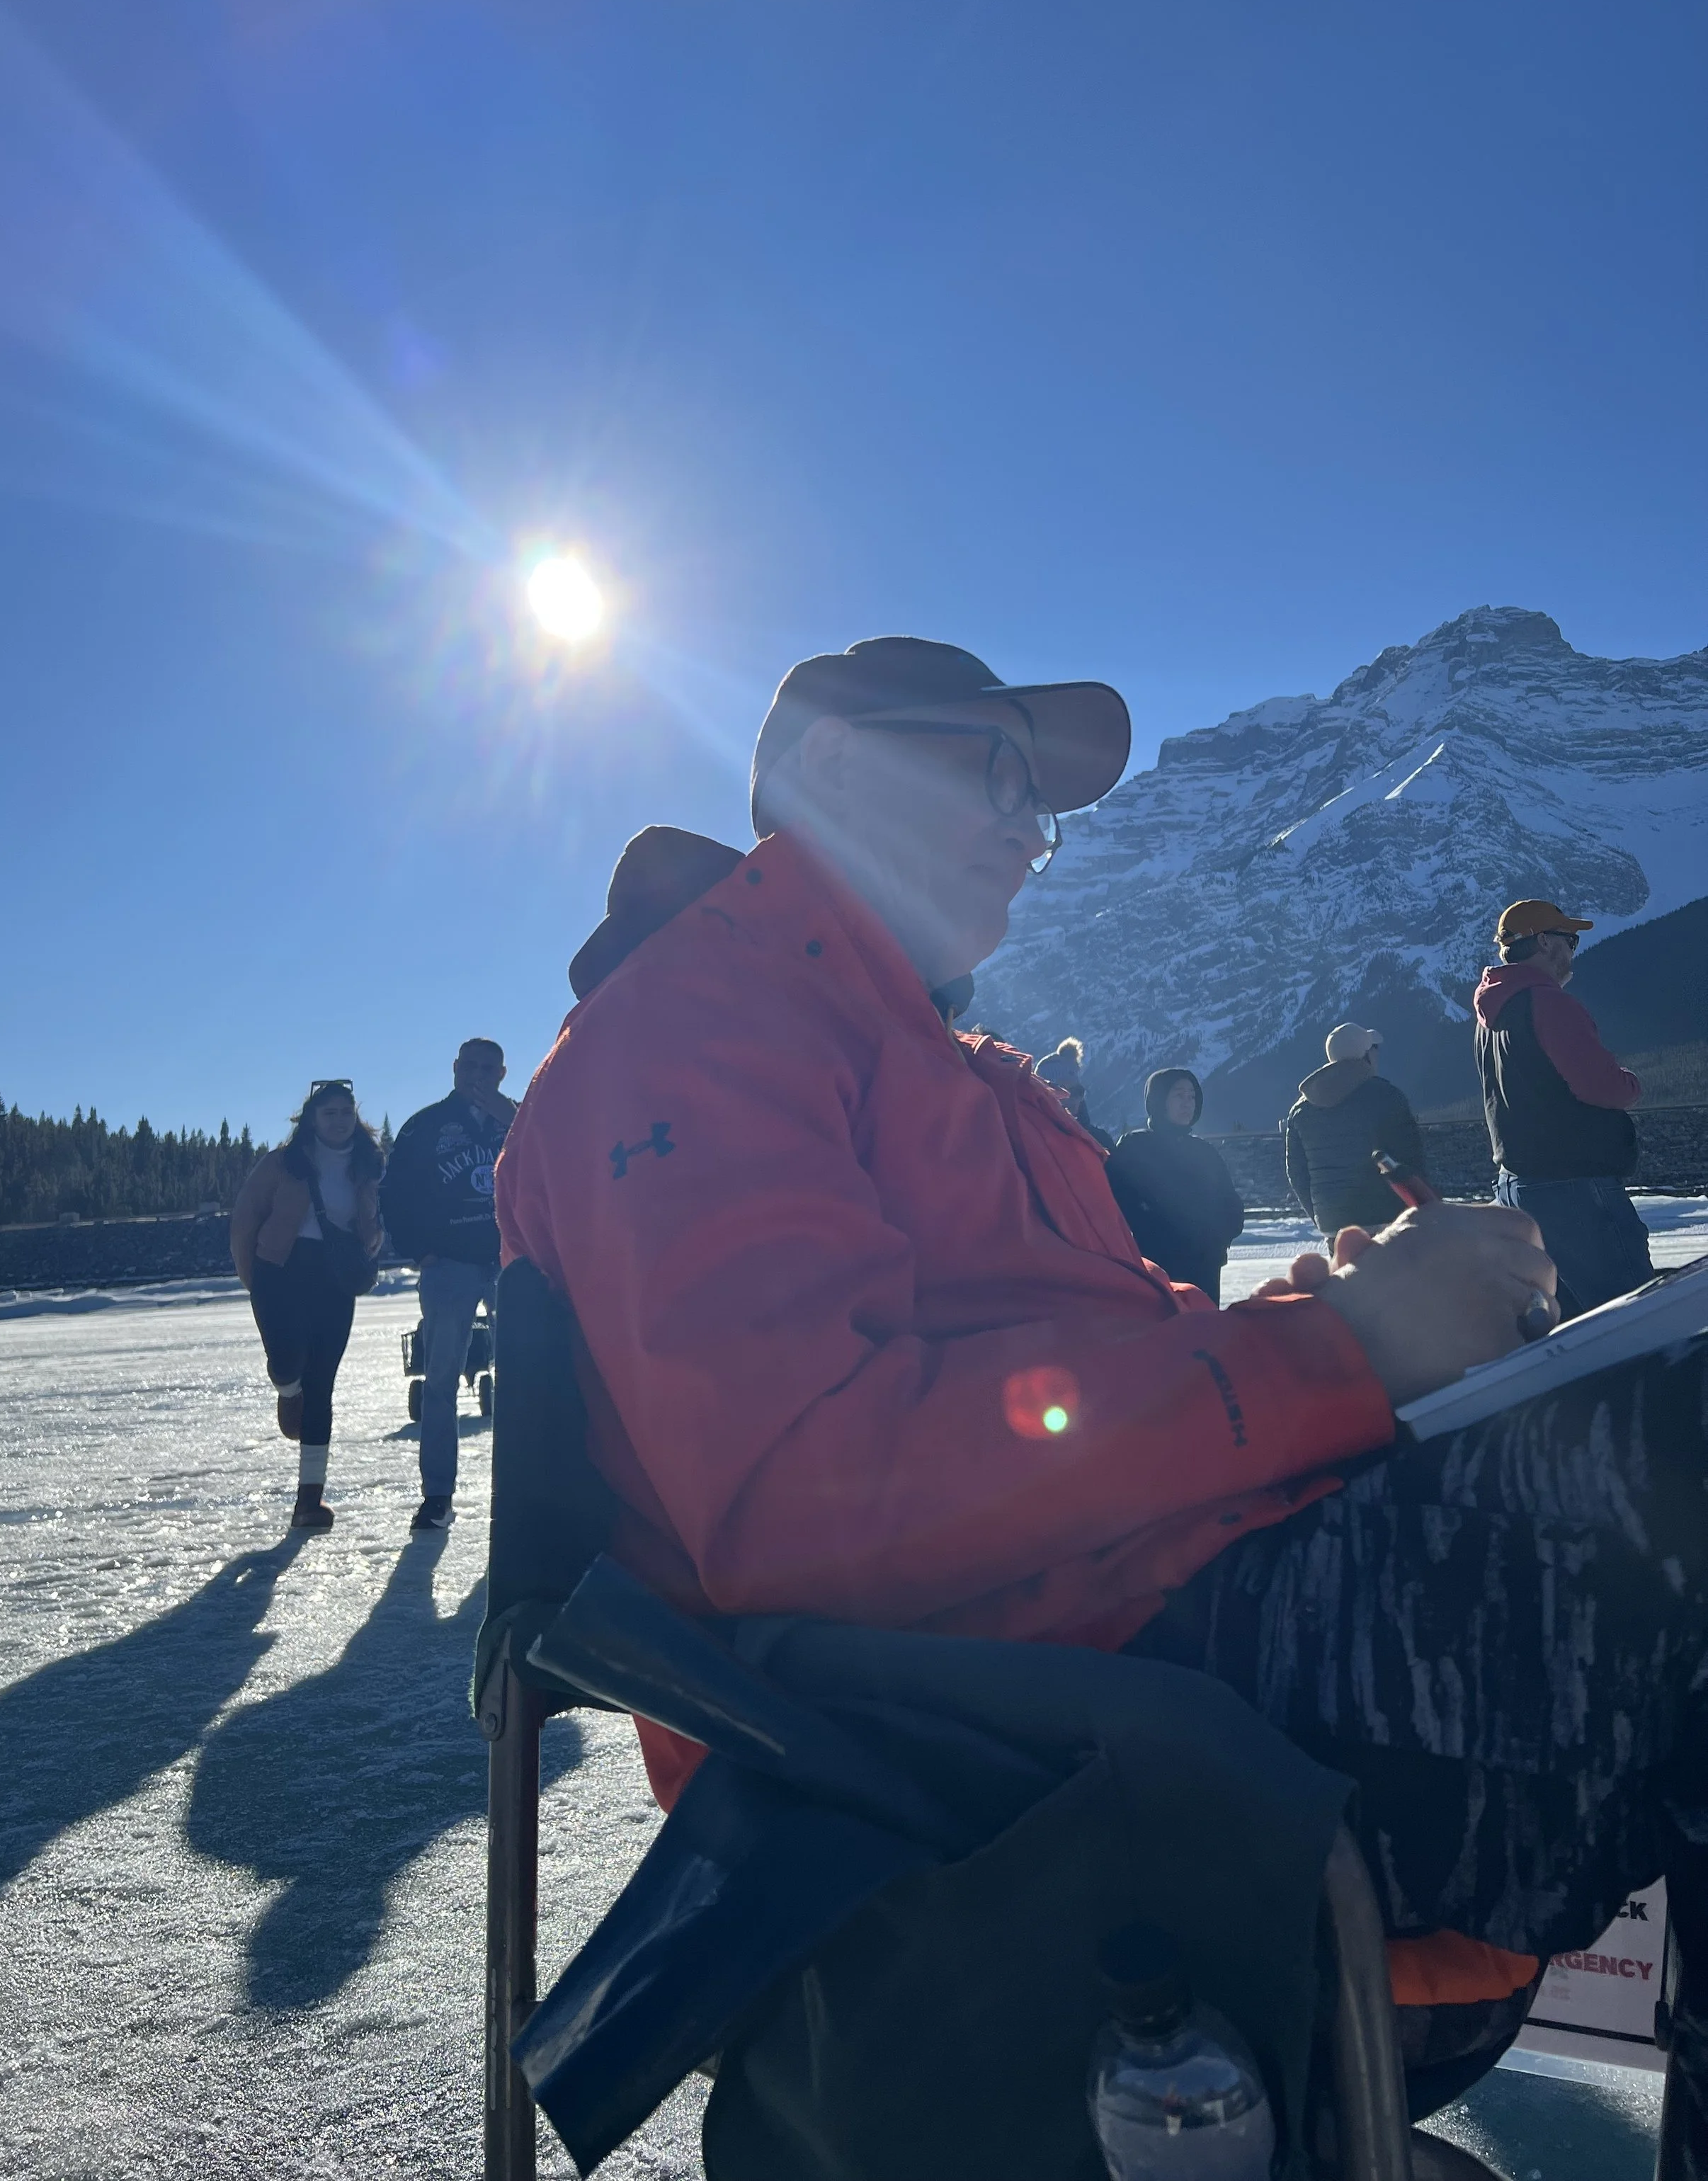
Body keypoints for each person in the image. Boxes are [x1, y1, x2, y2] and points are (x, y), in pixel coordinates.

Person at [494, 633, 1708, 2157]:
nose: (1028, 828)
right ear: (829, 774)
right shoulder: (688, 1033)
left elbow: (1067, 1382)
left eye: (1037, 801)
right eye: (992, 772)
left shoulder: (949, 1058)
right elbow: (808, 1496)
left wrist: (1339, 1310)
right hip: (1012, 1752)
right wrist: (1338, 1350)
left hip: (1162, 1642)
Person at [1476, 898, 1652, 1314]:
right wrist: (1631, 1083)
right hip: (1574, 1185)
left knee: (1567, 1324)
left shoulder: (1494, 1011)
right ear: (1543, 942)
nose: (1574, 950)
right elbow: (1604, 1087)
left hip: (1518, 1185)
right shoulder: (1550, 1003)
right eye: (1569, 940)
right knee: (1629, 1314)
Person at [230, 1078, 384, 1534]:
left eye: (345, 1112)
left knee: (324, 1385)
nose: (338, 1121)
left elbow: (370, 1218)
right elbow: (245, 1220)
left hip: (334, 1276)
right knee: (287, 1356)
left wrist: (373, 1240)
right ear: (312, 1119)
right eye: (329, 1113)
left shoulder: (367, 1164)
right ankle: (286, 1389)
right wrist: (252, 1279)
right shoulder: (284, 1163)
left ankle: (309, 1502)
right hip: (280, 1270)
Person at [380, 1038, 517, 1530]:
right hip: (451, 1266)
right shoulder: (426, 1126)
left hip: (513, 1262)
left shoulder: (523, 1119)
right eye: (470, 1066)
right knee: (439, 1381)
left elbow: (560, 1163)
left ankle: (521, 1491)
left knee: (526, 1381)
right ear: (455, 1068)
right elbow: (393, 1193)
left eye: (489, 1067)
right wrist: (421, 1251)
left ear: (502, 1072)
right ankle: (438, 1494)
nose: (478, 1074)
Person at [1103, 1067, 1244, 1303]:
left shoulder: (1204, 1152)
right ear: (1159, 1100)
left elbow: (1230, 1203)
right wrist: (1153, 1233)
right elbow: (1117, 1202)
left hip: (1204, 1266)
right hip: (1155, 1265)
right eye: (1179, 1095)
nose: (1187, 1103)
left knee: (1203, 1332)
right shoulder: (1136, 1148)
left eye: (1191, 1096)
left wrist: (1219, 1237)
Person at [1283, 1023, 1425, 1248]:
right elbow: (1412, 1160)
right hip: (1387, 1218)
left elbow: (1297, 1174)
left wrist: (1323, 1215)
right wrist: (1421, 1207)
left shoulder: (1301, 1110)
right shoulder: (1387, 1097)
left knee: (1348, 1281)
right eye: (1374, 1049)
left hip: (1334, 1226)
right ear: (1365, 1056)